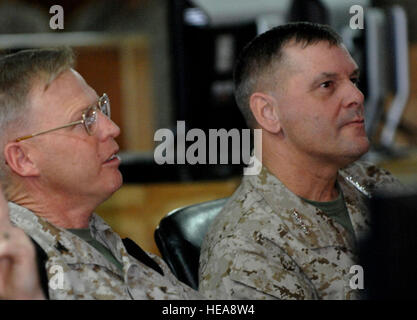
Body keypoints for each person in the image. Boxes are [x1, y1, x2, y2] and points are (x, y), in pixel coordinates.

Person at [198, 22, 403, 300]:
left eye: (353, 80)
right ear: (269, 113)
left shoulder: (374, 182)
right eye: (327, 85)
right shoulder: (245, 249)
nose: (357, 96)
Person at [0, 47, 202, 300]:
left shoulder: (121, 249)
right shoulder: (18, 272)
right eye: (84, 120)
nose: (112, 128)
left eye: (100, 109)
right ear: (23, 159)